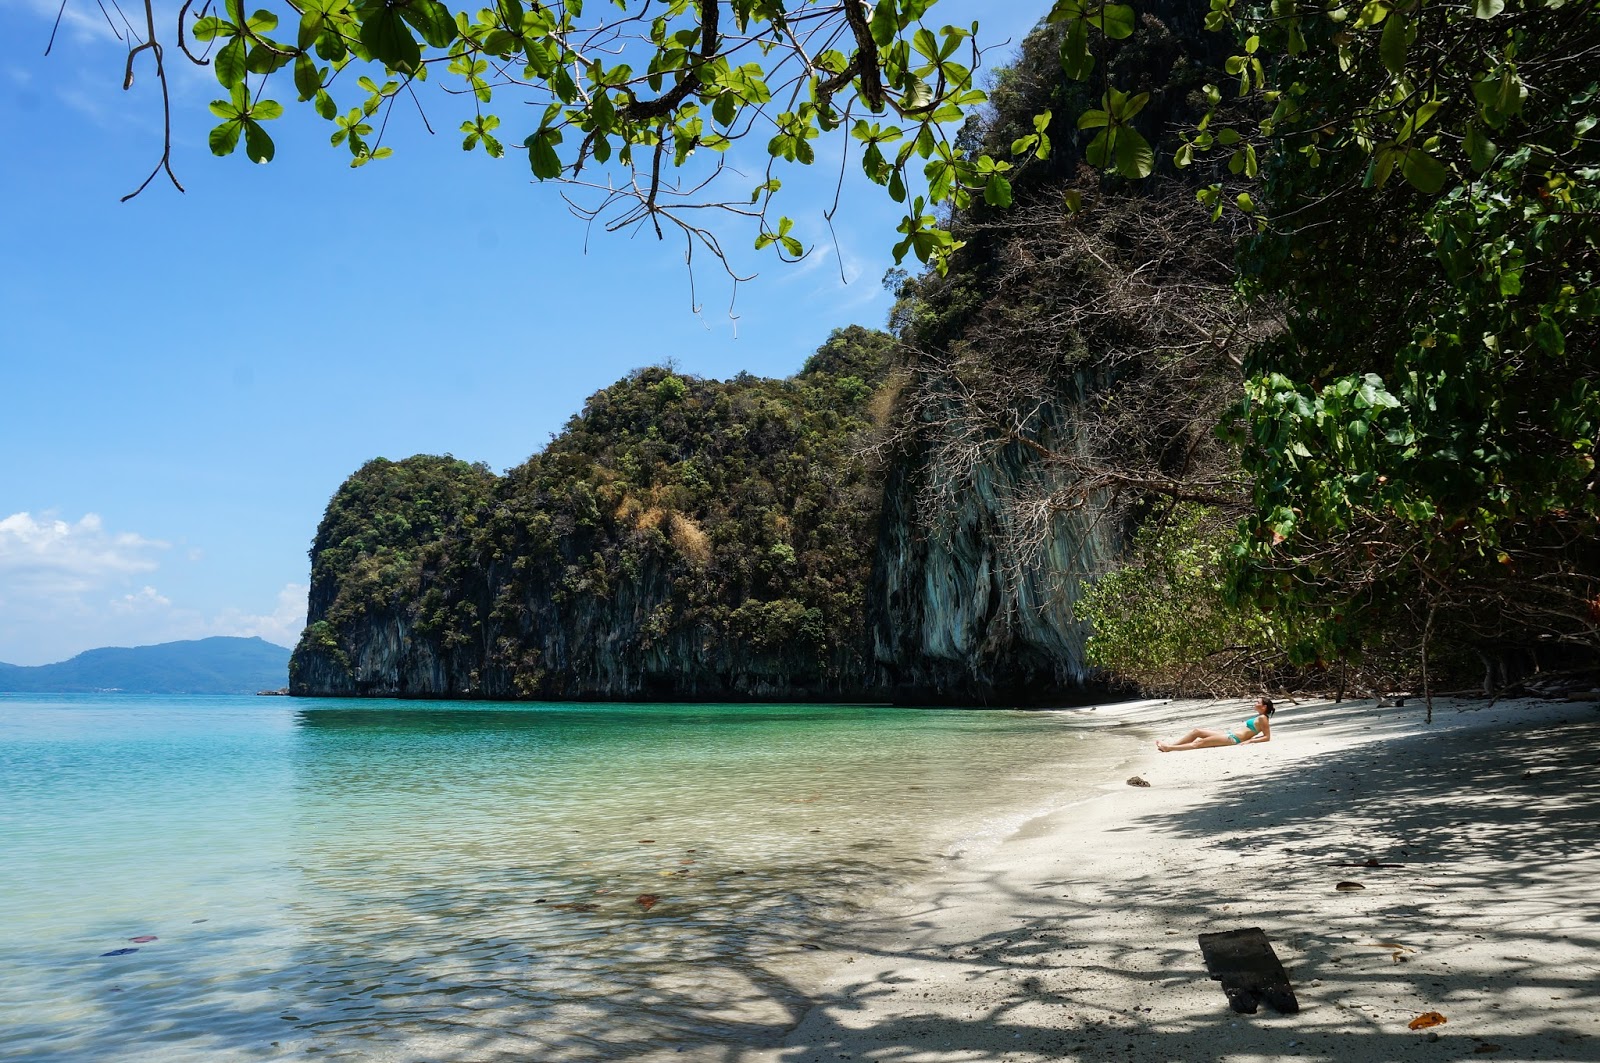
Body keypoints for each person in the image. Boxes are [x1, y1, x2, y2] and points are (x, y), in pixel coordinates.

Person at [1156, 698, 1275, 752]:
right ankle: (1171, 745)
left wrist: (1250, 741)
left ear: (1264, 707)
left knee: (1199, 743)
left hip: (1233, 739)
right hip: (1229, 734)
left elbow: (1267, 737)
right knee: (1197, 731)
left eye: (1258, 702)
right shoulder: (1259, 717)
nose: (1255, 703)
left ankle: (1169, 748)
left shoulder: (1263, 718)